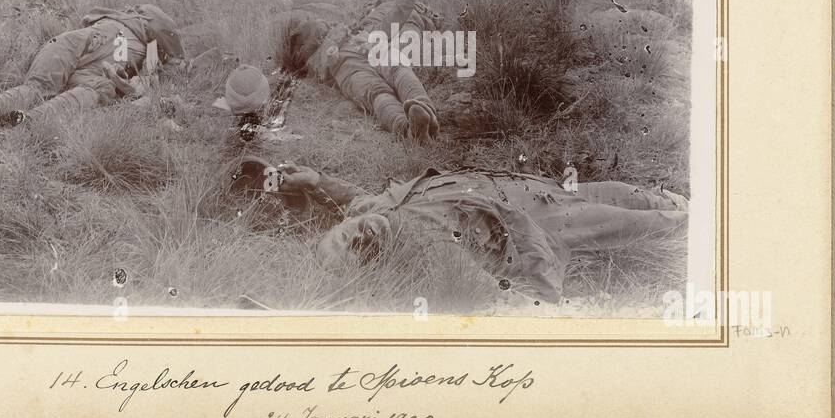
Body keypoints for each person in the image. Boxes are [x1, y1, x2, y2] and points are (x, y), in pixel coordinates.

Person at [228, 157, 688, 303]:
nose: (361, 231)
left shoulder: (376, 212)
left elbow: (358, 203)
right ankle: (698, 221)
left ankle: (670, 200)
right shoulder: (421, 243)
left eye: (346, 231)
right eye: (359, 247)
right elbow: (499, 290)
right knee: (646, 224)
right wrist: (546, 299)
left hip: (527, 188)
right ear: (374, 256)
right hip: (537, 221)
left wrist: (318, 181)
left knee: (622, 192)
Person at [277, 0, 441, 141]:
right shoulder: (320, 57)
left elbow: (395, 18)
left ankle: (428, 117)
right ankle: (410, 131)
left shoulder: (361, 31)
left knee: (398, 71)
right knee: (377, 91)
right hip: (347, 66)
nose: (318, 22)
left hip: (363, 52)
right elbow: (314, 66)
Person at [0, 4, 185, 134]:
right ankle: (21, 124)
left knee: (36, 88)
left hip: (70, 46)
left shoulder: (111, 21)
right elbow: (167, 66)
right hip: (83, 56)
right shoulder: (147, 45)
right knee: (98, 89)